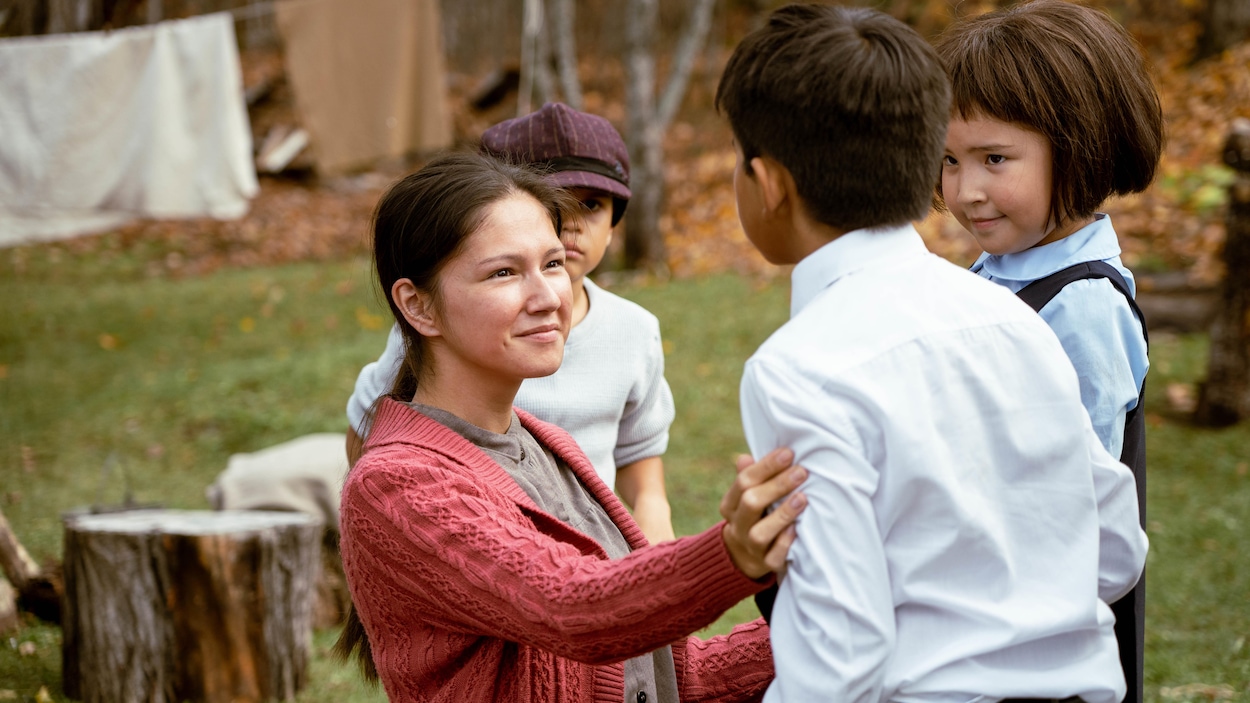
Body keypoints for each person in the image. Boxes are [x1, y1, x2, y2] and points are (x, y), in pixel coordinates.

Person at [714, 4, 1148, 702]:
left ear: (768, 184)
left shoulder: (800, 368)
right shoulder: (1010, 317)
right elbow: (1116, 548)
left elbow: (840, 656)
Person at [336, 151, 808, 703]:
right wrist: (734, 553)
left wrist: (824, 630)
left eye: (553, 264)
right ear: (419, 307)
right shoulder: (395, 483)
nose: (548, 298)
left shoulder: (541, 443)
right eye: (504, 273)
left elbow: (657, 675)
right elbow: (576, 606)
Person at [935, 4, 1163, 699]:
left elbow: (1071, 509)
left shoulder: (1081, 305)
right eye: (948, 160)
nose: (965, 190)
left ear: (1081, 147)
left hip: (1047, 637)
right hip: (982, 601)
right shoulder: (998, 272)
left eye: (994, 159)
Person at [346, 102, 678, 543]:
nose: (572, 225)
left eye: (593, 205)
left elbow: (643, 468)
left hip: (594, 546)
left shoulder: (634, 331)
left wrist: (657, 559)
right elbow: (371, 431)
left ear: (616, 222)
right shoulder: (439, 337)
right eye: (504, 271)